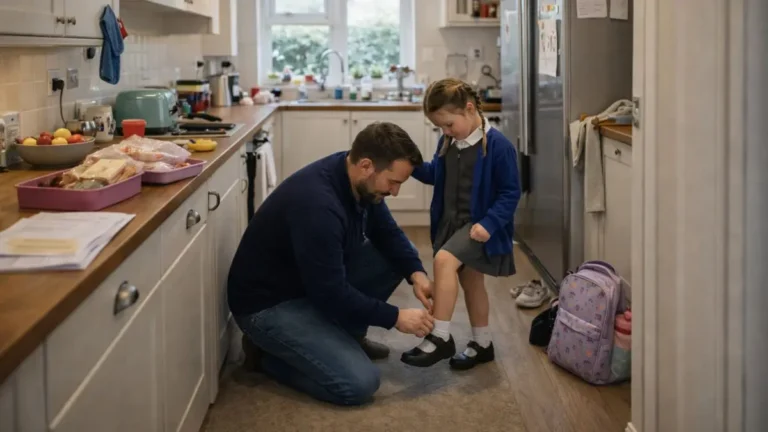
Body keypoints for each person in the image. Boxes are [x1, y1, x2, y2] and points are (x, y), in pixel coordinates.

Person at [227, 121, 437, 406]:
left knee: (398, 257)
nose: (396, 191)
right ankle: (266, 356)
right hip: (268, 306)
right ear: (366, 165)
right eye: (394, 182)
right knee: (359, 384)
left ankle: (347, 338)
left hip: (306, 284)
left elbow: (386, 232)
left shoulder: (355, 177)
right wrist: (395, 317)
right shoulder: (318, 206)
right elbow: (330, 293)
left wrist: (417, 274)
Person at [402, 78, 522, 370]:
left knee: (443, 261)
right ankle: (482, 343)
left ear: (469, 109)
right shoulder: (448, 141)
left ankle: (440, 336)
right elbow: (436, 175)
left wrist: (490, 224)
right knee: (471, 282)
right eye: (440, 127)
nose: (445, 131)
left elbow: (510, 192)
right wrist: (410, 163)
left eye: (448, 124)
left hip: (477, 227)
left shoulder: (498, 146)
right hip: (450, 222)